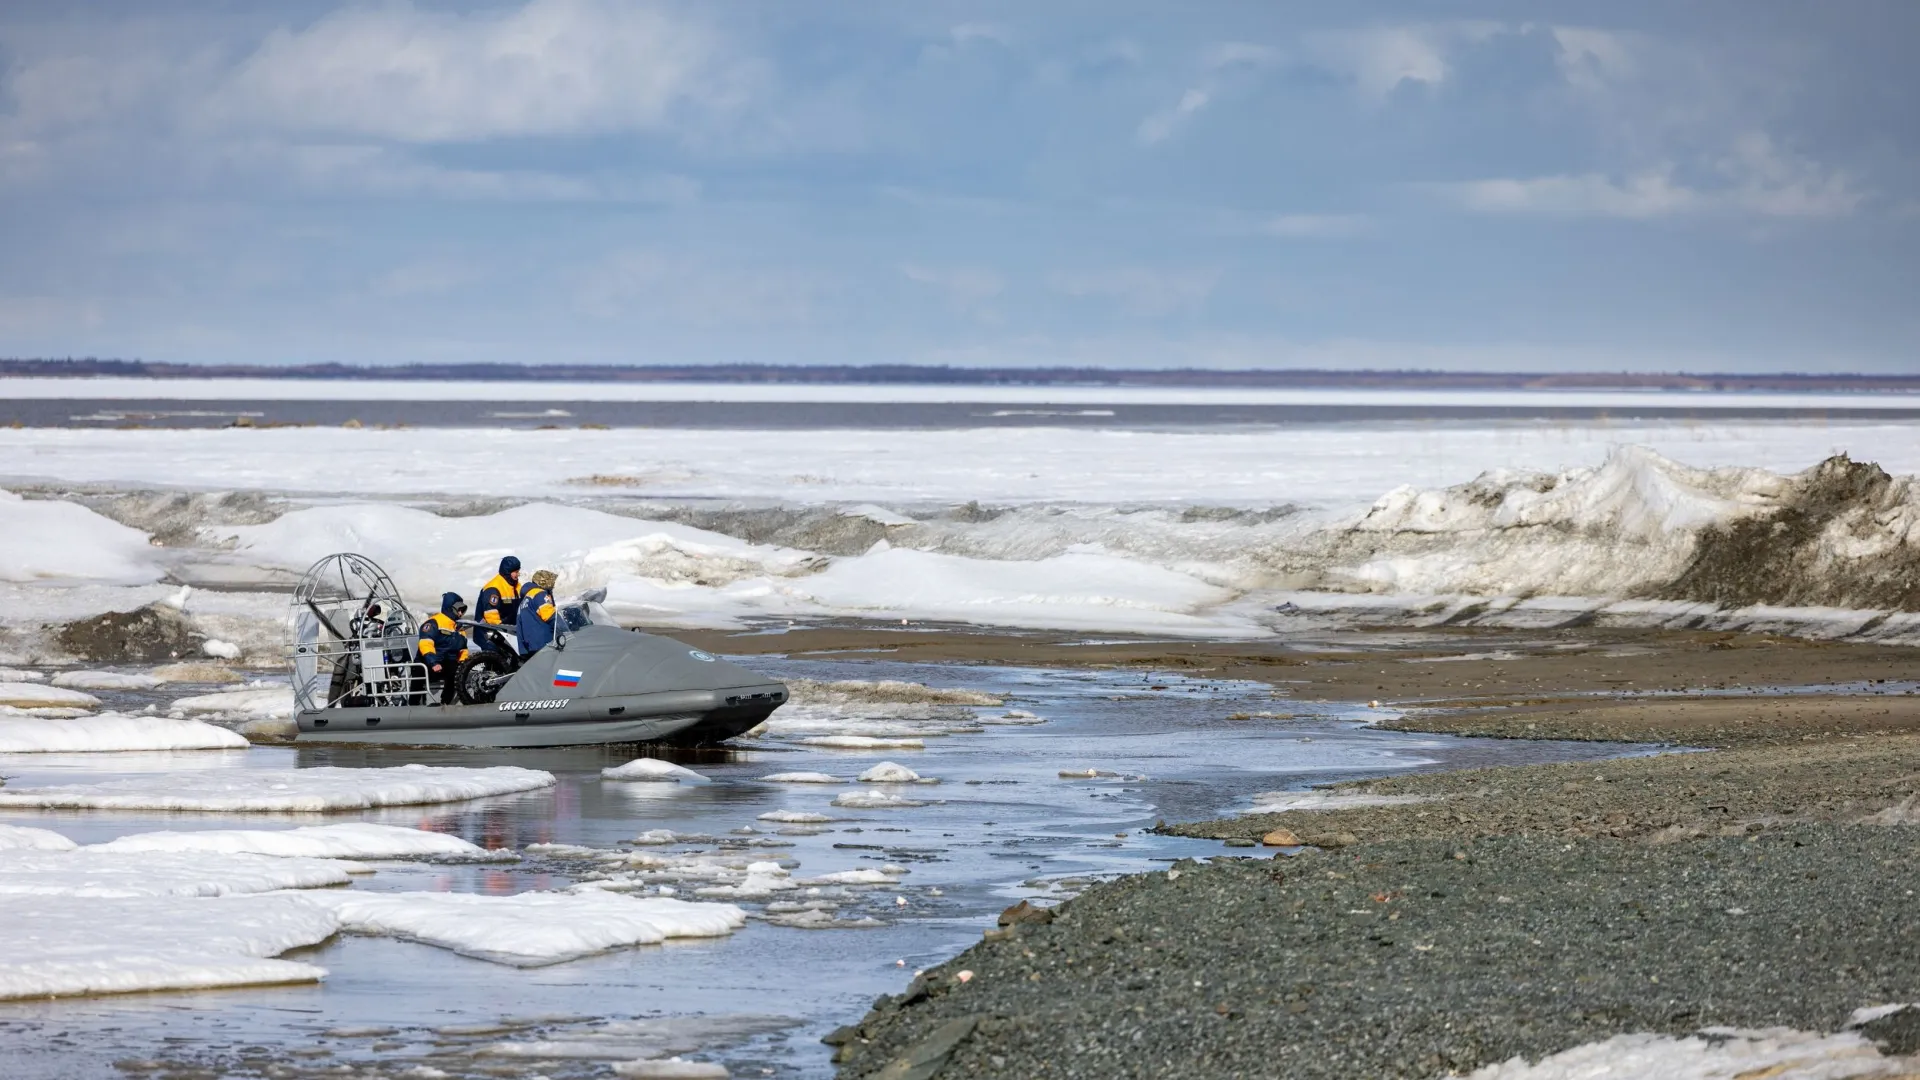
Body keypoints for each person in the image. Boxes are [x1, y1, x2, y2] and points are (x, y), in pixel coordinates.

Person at [417, 592, 470, 704]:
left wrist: (464, 664)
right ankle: (413, 704)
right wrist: (433, 662)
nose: (461, 613)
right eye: (459, 609)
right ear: (451, 608)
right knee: (418, 673)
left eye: (462, 610)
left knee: (456, 670)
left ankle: (446, 702)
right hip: (428, 663)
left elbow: (463, 649)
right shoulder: (434, 623)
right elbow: (426, 643)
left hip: (446, 663)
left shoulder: (459, 628)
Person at [516, 570, 559, 655]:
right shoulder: (539, 594)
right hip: (545, 644)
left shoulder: (523, 601)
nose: (552, 586)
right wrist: (565, 627)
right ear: (544, 583)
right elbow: (551, 616)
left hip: (530, 648)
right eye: (551, 582)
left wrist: (523, 651)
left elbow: (519, 628)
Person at [475, 556, 522, 630]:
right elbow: (492, 618)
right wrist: (503, 631)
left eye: (518, 571)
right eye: (516, 572)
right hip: (491, 634)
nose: (518, 574)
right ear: (508, 572)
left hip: (509, 631)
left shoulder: (516, 586)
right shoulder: (493, 589)